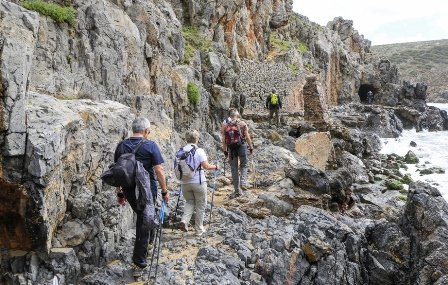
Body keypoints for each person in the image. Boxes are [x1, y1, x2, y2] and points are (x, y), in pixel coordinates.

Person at [114, 117, 170, 276]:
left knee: (144, 217)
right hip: (147, 190)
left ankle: (149, 244)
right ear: (146, 131)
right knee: (143, 222)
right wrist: (165, 191)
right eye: (149, 131)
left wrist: (120, 192)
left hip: (129, 190)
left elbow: (118, 171)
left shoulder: (121, 146)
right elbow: (159, 170)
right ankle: (139, 262)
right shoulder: (150, 145)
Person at [178, 130, 219, 237]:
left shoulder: (181, 150)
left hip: (184, 182)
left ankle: (184, 220)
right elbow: (206, 166)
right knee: (200, 205)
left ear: (186, 139)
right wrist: (216, 167)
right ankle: (199, 230)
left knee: (189, 202)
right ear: (197, 139)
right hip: (198, 182)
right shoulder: (199, 150)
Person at [221, 110, 254, 198]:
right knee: (244, 165)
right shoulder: (242, 123)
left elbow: (223, 139)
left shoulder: (225, 125)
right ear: (237, 115)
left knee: (234, 169)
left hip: (231, 149)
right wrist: (250, 147)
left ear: (230, 116)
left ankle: (237, 191)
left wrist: (225, 151)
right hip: (242, 146)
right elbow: (247, 136)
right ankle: (243, 182)